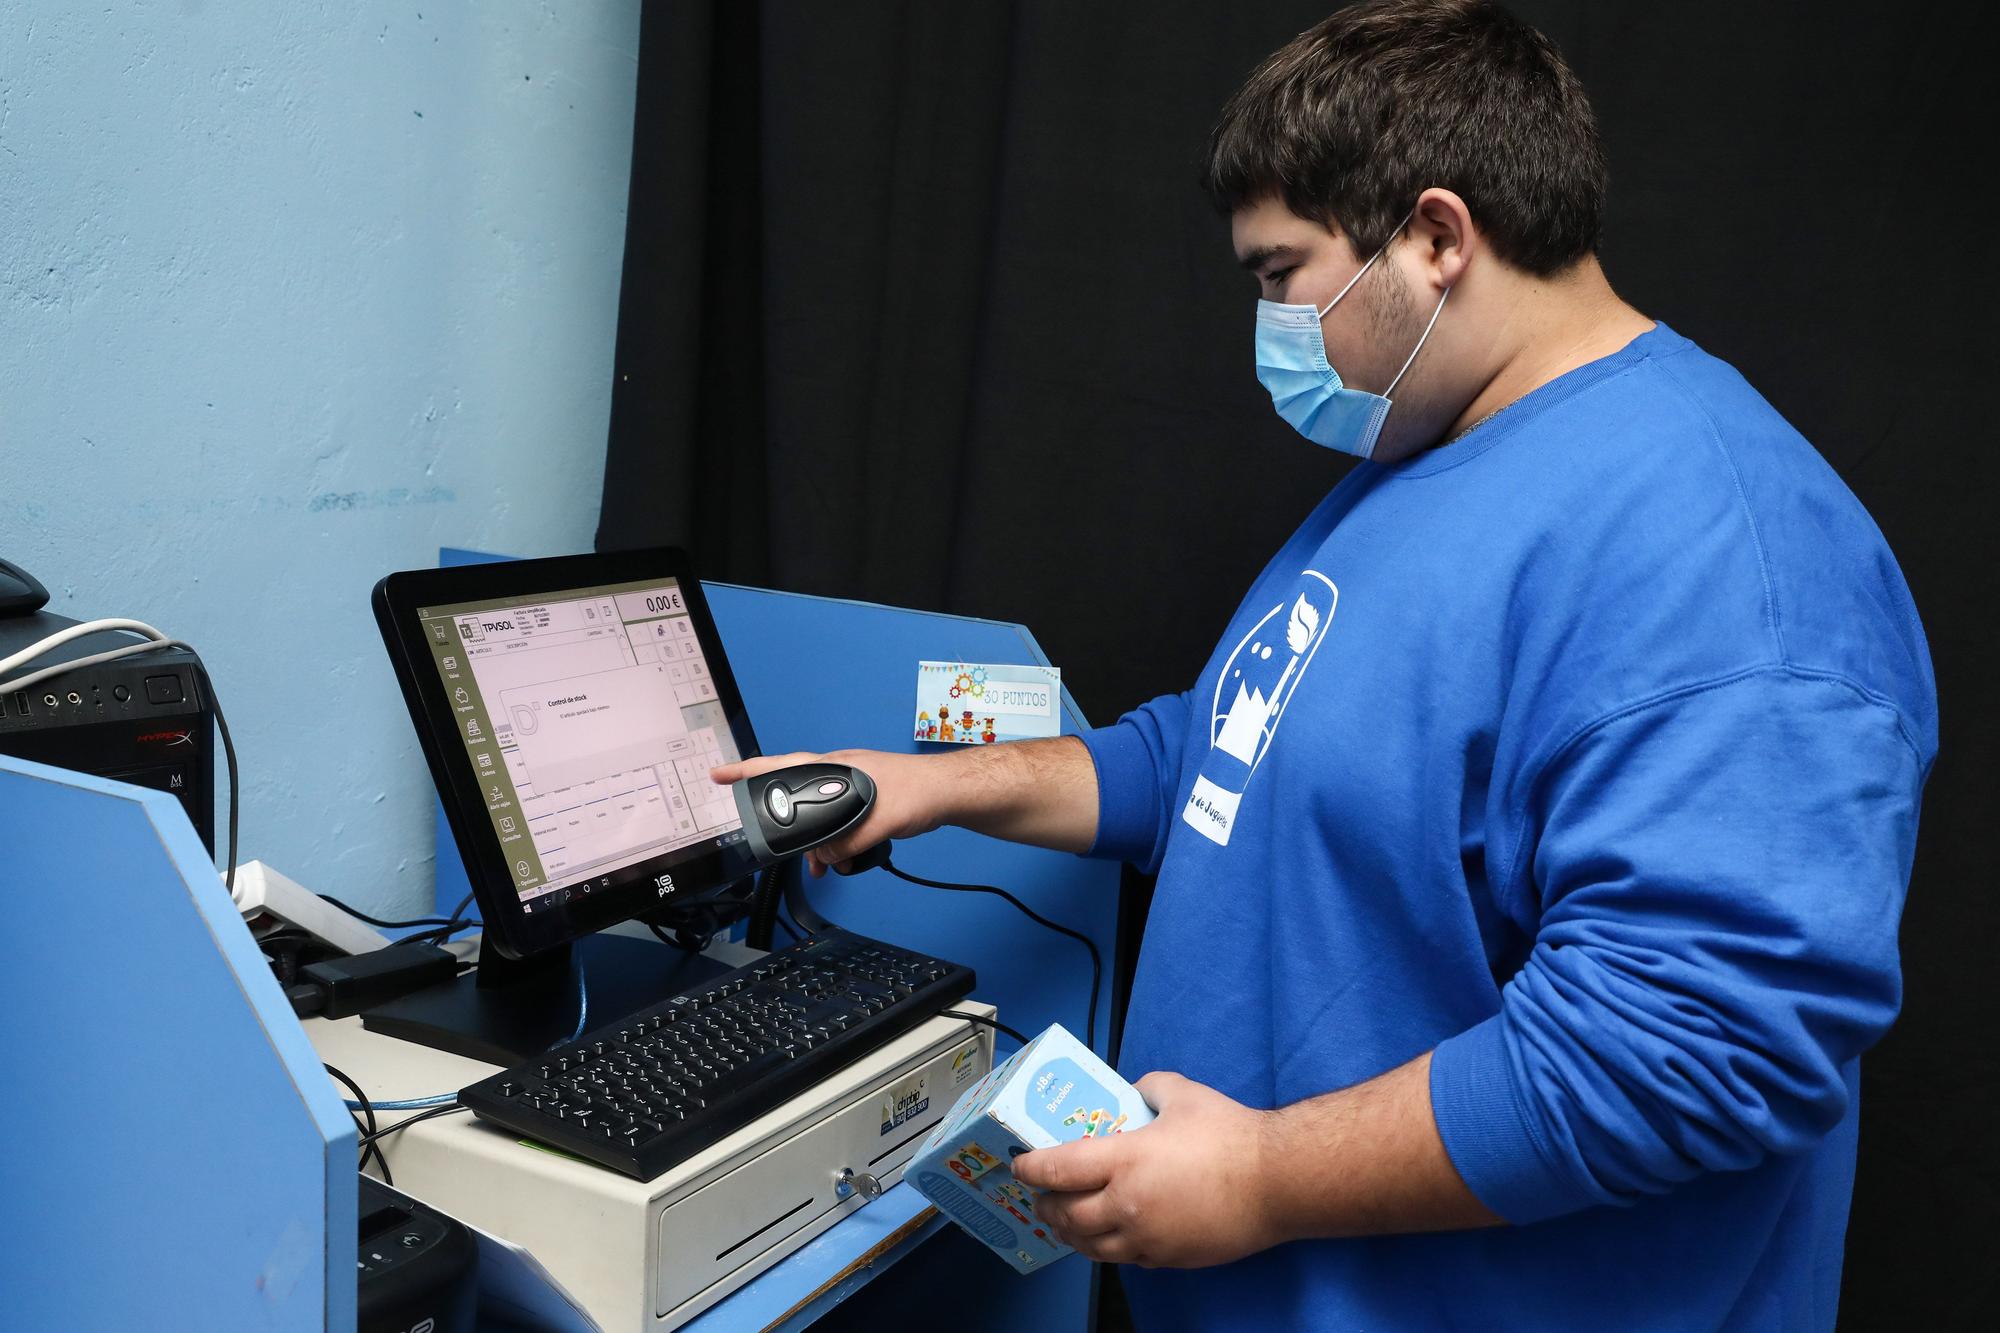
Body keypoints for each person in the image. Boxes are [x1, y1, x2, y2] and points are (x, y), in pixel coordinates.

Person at [712, 2, 1935, 1327]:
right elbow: (1226, 748)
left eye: (1280, 272)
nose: (1269, 321)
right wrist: (930, 785)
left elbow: (1692, 1044)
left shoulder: (1723, 547)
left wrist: (1260, 1177)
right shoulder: (1422, 458)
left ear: (1434, 236)